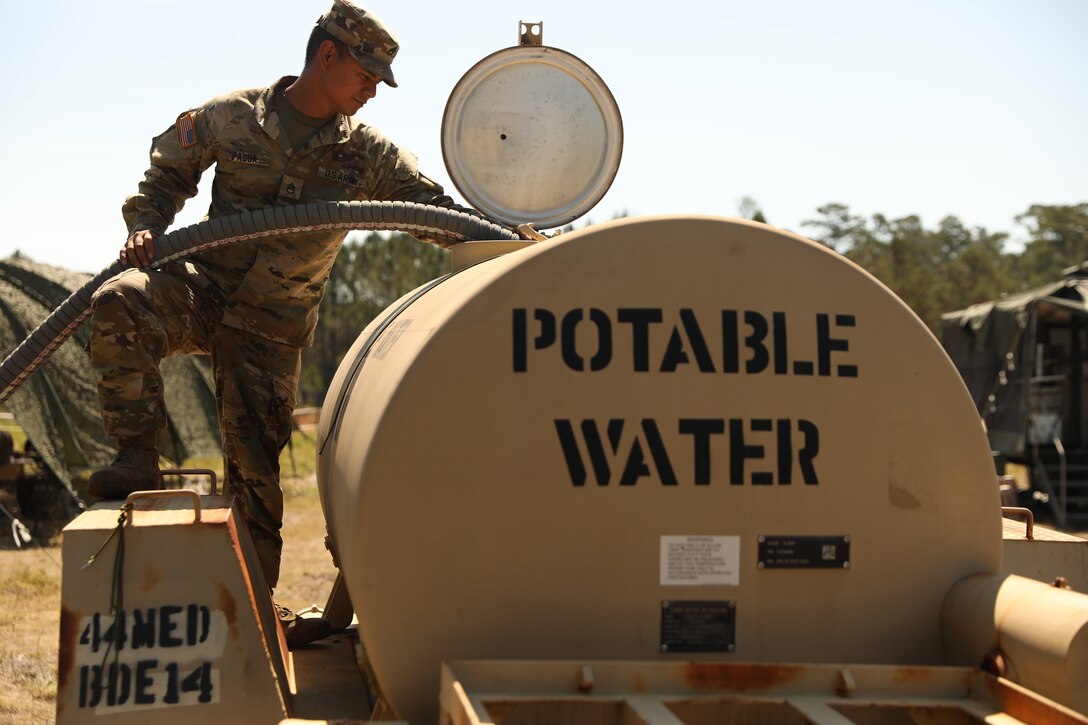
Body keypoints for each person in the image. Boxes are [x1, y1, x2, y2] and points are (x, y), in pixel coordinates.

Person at [87, 0, 476, 647]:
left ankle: (246, 620)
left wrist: (510, 237)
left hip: (270, 331)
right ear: (328, 56)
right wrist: (146, 225)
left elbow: (433, 210)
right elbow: (166, 172)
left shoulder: (369, 156)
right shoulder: (234, 116)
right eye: (366, 75)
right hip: (203, 291)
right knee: (118, 299)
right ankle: (135, 456)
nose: (372, 92)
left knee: (256, 492)